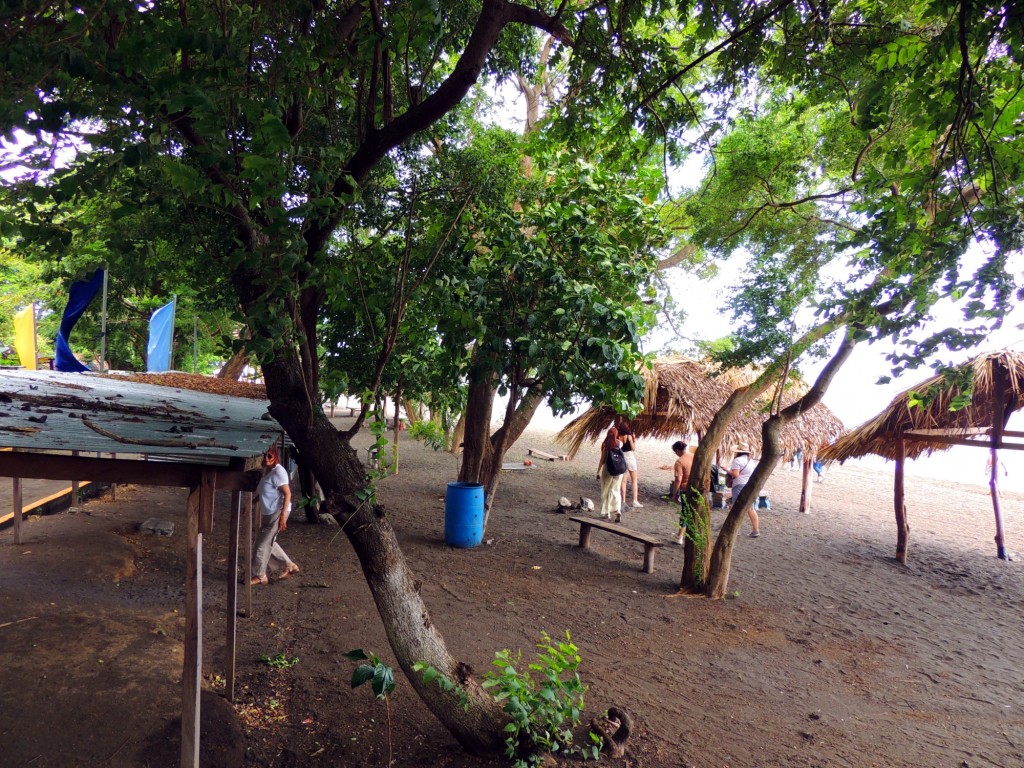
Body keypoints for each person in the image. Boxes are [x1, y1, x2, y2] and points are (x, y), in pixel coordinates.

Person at [251, 444, 300, 585]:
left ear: (275, 456)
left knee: (261, 545)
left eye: (270, 456)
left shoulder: (279, 472)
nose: (266, 459)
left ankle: (260, 575)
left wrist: (283, 516)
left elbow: (288, 494)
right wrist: (253, 503)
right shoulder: (268, 471)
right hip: (269, 512)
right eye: (264, 456)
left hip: (277, 512)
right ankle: (290, 565)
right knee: (268, 541)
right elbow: (263, 492)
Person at [728, 443, 760, 538]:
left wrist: (726, 470)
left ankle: (735, 529)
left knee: (736, 507)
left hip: (739, 484)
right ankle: (755, 529)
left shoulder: (737, 460)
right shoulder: (751, 461)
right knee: (750, 508)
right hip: (749, 485)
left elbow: (736, 474)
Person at [596, 426, 624, 523]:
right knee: (616, 490)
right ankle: (617, 510)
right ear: (616, 434)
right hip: (619, 471)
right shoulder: (620, 443)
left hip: (608, 470)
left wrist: (598, 471)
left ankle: (606, 512)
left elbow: (602, 460)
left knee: (605, 490)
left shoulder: (605, 445)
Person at [669, 441, 693, 545]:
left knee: (685, 512)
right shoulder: (693, 456)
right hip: (697, 487)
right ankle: (683, 534)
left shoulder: (679, 462)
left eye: (675, 452)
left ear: (678, 450)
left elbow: (678, 479)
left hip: (685, 488)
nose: (676, 454)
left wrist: (675, 493)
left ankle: (680, 536)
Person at [616, 417, 643, 509]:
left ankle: (623, 501)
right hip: (630, 457)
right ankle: (635, 501)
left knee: (623, 481)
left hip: (622, 457)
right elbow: (633, 448)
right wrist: (633, 439)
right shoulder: (629, 436)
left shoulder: (618, 437)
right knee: (634, 480)